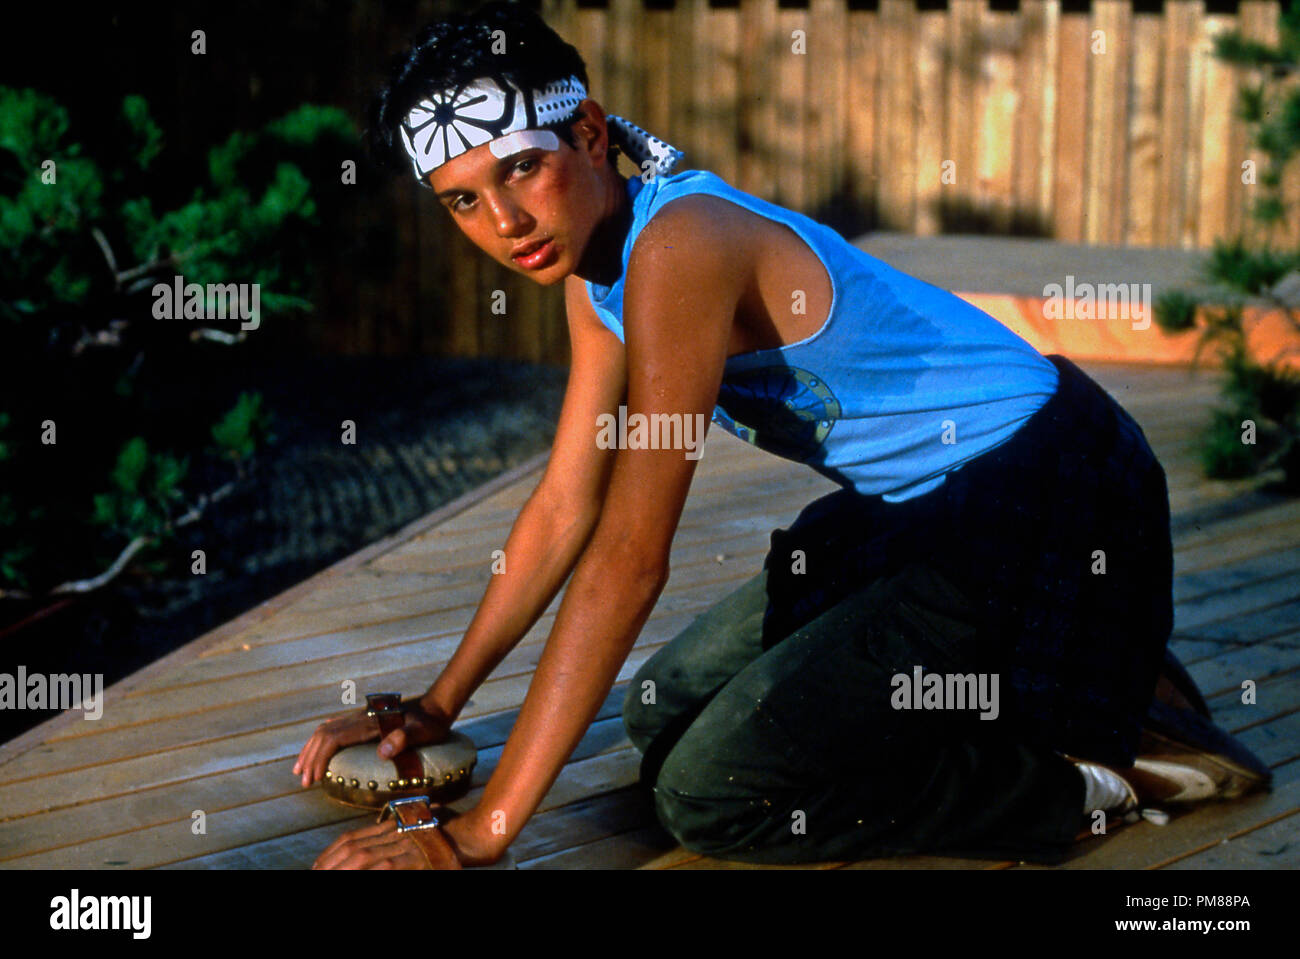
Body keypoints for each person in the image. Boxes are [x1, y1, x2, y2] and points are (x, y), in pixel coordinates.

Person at [296, 1, 1270, 870]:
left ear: (589, 134)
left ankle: (1104, 771)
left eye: (522, 169)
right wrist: (439, 703)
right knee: (658, 708)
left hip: (1046, 496)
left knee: (714, 791)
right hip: (920, 509)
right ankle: (1070, 686)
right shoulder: (598, 277)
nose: (504, 220)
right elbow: (564, 506)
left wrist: (482, 831)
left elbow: (630, 556)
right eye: (464, 199)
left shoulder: (680, 246)